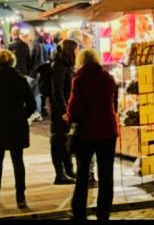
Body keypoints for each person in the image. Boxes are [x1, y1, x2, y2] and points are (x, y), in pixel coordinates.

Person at [64, 48, 119, 221]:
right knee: (106, 173)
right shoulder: (108, 78)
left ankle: (79, 211)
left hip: (86, 132)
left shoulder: (80, 80)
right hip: (108, 130)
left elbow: (75, 108)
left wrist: (68, 117)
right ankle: (104, 213)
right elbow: (114, 103)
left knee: (82, 172)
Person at [0, 48, 37, 210]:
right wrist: (22, 115)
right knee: (18, 161)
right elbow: (32, 104)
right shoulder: (21, 81)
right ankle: (20, 197)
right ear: (13, 62)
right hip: (17, 125)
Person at [49, 38, 77, 184]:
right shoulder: (59, 65)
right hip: (59, 110)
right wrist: (63, 111)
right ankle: (59, 174)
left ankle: (69, 170)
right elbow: (57, 90)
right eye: (76, 49)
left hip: (66, 107)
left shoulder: (66, 65)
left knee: (66, 139)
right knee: (58, 140)